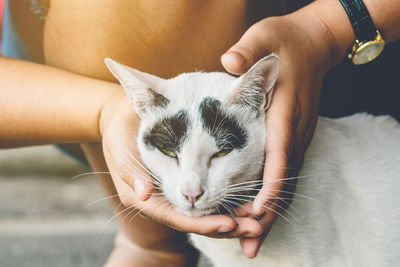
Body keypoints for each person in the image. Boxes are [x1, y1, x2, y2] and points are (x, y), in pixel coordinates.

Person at [0, 0, 399, 266]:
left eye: (218, 156)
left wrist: (330, 25)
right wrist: (104, 108)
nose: (191, 190)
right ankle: (152, 244)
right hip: (93, 73)